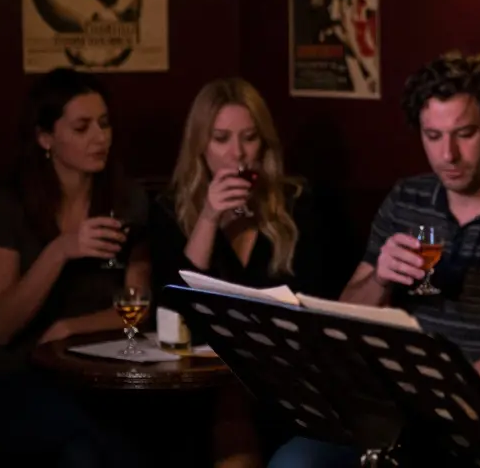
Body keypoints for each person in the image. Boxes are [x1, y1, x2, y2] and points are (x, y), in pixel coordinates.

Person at [268, 51, 480, 467]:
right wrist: (380, 277)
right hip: (395, 401)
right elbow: (344, 315)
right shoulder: (406, 199)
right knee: (296, 460)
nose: (448, 154)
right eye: (433, 136)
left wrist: (434, 403)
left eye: (464, 134)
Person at [149, 77, 348, 467]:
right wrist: (208, 219)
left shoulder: (300, 205)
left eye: (249, 138)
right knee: (223, 405)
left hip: (290, 379)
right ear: (200, 145)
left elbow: (320, 302)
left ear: (264, 144)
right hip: (202, 385)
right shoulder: (171, 211)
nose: (237, 154)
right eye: (221, 139)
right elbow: (171, 317)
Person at [0, 67, 151, 467]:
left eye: (104, 124)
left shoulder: (127, 201)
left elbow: (138, 308)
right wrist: (60, 250)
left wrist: (70, 327)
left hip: (99, 372)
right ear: (45, 138)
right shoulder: (5, 208)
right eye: (82, 127)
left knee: (90, 440)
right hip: (16, 377)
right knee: (84, 440)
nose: (100, 137)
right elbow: (1, 325)